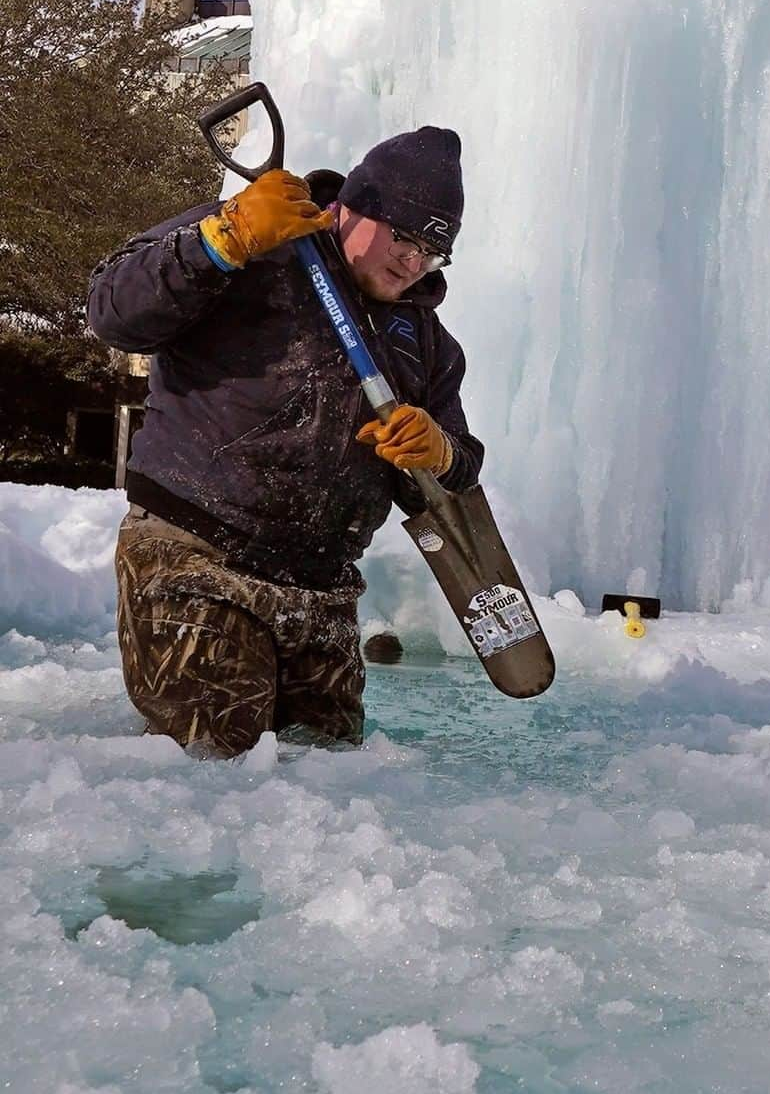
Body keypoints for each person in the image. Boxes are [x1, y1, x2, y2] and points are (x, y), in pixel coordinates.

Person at [87, 127, 483, 758]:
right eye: (403, 236)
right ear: (351, 206)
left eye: (434, 252)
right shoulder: (255, 237)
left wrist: (438, 453)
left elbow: (458, 472)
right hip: (198, 559)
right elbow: (111, 312)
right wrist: (219, 243)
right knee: (213, 777)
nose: (414, 261)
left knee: (326, 794)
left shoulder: (428, 344)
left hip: (322, 591)